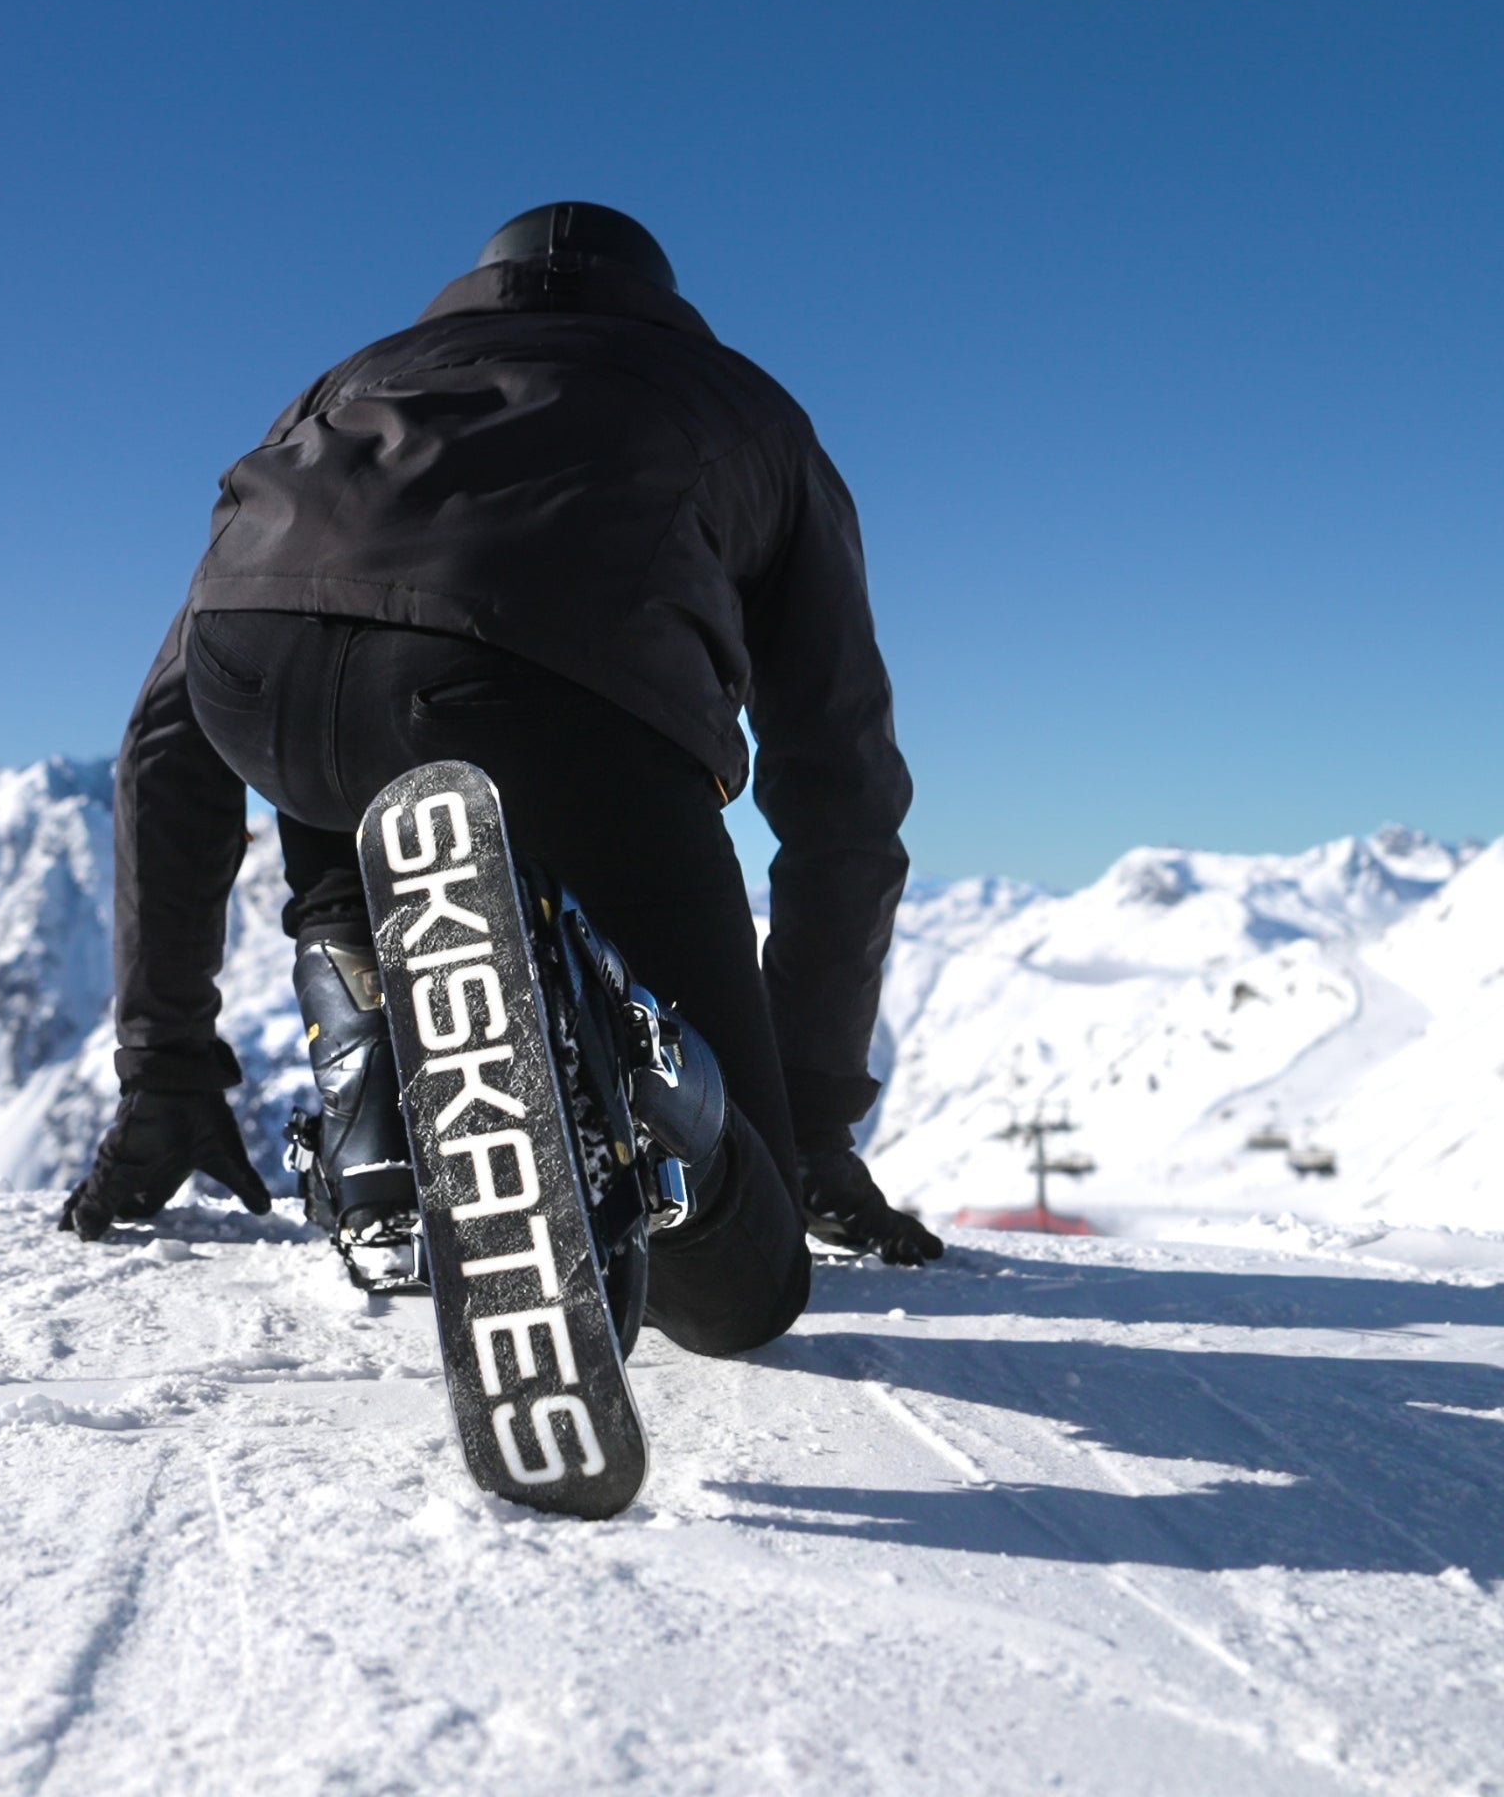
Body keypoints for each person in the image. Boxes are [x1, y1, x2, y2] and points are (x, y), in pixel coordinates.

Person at [59, 202, 942, 1356]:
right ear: (664, 301)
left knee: (351, 773)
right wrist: (805, 1123)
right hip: (547, 696)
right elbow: (842, 784)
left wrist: (164, 1068)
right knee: (742, 1299)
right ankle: (654, 1097)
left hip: (254, 679)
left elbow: (163, 744)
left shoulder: (352, 384)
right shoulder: (746, 407)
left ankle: (366, 1056)